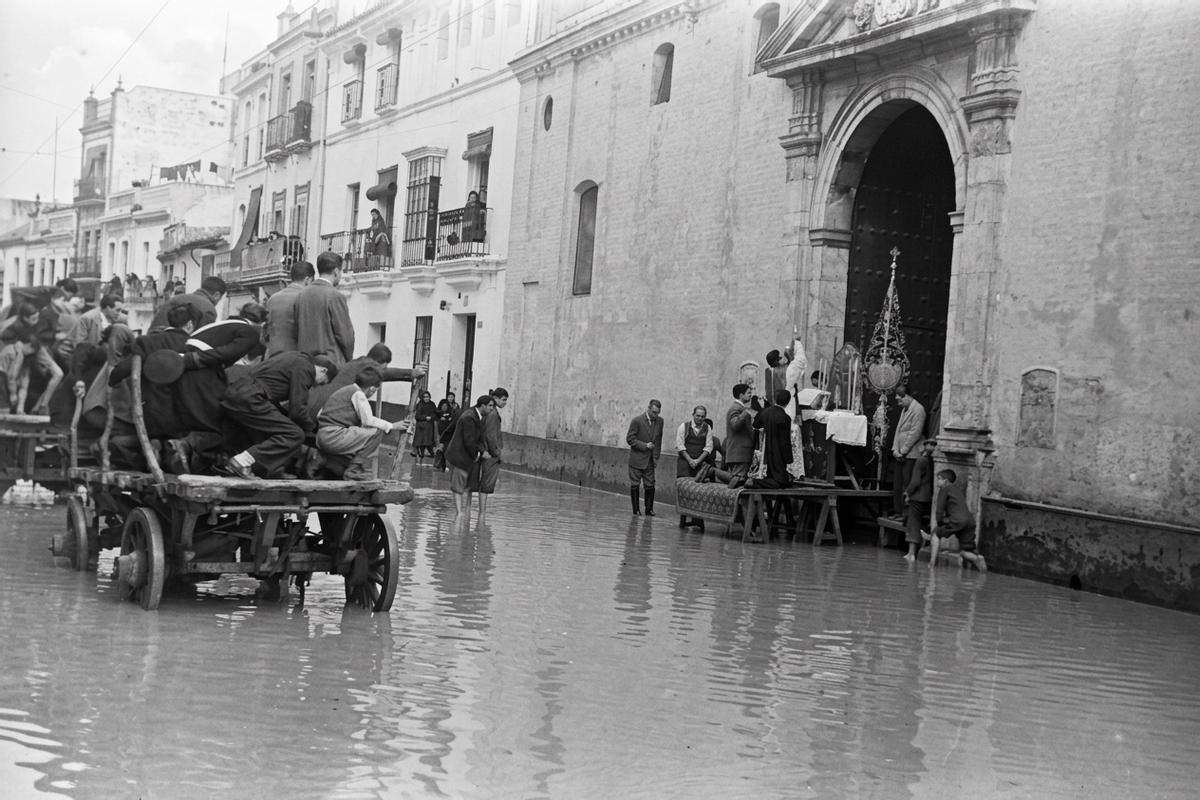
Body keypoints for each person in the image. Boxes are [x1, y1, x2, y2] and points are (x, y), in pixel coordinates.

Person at [164, 303, 268, 474]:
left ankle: (192, 452)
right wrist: (190, 360)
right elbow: (227, 353)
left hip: (187, 374)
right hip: (202, 373)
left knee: (204, 419)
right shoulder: (251, 332)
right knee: (223, 420)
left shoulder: (223, 325)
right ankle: (187, 445)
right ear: (261, 323)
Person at [107, 304, 197, 469]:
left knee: (152, 435)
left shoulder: (147, 342)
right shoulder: (194, 345)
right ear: (190, 325)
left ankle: (153, 451)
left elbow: (118, 373)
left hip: (152, 414)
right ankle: (176, 450)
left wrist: (114, 382)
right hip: (185, 415)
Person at [221, 351, 336, 479]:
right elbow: (297, 411)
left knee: (271, 430)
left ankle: (256, 469)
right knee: (294, 434)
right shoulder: (306, 368)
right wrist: (315, 432)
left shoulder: (292, 357)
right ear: (323, 371)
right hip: (252, 398)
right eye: (321, 383)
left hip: (236, 394)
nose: (315, 386)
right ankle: (241, 462)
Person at [305, 343, 426, 428]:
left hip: (313, 408)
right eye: (383, 367)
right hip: (323, 414)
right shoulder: (366, 365)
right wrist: (411, 373)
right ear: (376, 363)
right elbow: (386, 373)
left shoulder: (355, 363)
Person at [316, 365, 395, 480]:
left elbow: (319, 414)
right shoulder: (358, 394)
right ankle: (353, 471)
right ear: (372, 389)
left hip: (321, 437)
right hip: (333, 437)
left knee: (357, 435)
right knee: (377, 432)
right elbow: (368, 420)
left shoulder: (343, 391)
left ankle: (335, 465)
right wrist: (392, 426)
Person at [295, 251, 354, 366]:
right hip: (330, 364)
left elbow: (297, 329)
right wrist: (348, 359)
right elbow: (345, 334)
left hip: (305, 363)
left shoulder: (301, 295)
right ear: (336, 272)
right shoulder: (335, 296)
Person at [923, 469, 987, 572]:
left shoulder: (944, 489)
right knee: (965, 551)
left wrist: (940, 524)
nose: (937, 481)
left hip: (957, 520)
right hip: (969, 521)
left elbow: (939, 512)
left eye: (939, 479)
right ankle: (978, 559)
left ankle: (931, 565)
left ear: (946, 481)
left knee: (936, 533)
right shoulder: (956, 489)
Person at [444, 394, 494, 518]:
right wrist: (479, 453)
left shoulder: (478, 416)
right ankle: (459, 514)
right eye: (490, 406)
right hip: (459, 456)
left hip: (467, 455)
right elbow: (469, 440)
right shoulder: (469, 417)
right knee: (458, 485)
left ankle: (463, 514)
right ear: (482, 406)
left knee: (467, 485)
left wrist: (481, 451)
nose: (492, 409)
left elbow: (479, 438)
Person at [0, 329, 62, 415]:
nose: (33, 353)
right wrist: (13, 394)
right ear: (28, 345)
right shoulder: (13, 352)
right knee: (5, 410)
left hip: (8, 386)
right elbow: (11, 377)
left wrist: (20, 408)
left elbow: (24, 385)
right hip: (2, 381)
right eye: (33, 349)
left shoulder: (27, 360)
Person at [264, 261, 314, 357]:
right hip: (294, 357)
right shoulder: (306, 298)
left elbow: (265, 331)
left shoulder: (273, 298)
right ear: (308, 280)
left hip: (272, 354)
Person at [891, 384, 927, 517]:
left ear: (907, 396)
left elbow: (915, 433)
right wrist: (895, 449)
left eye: (900, 400)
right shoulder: (905, 409)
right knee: (898, 484)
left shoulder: (918, 410)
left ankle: (906, 514)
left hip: (911, 454)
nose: (898, 403)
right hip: (901, 453)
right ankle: (898, 511)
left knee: (906, 484)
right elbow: (898, 430)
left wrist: (903, 451)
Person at [149, 275, 227, 332]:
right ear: (217, 295)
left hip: (152, 342)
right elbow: (202, 338)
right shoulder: (209, 309)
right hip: (177, 349)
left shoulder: (176, 298)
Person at [626, 399, 663, 516]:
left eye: (657, 413)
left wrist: (656, 457)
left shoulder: (660, 421)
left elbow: (658, 440)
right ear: (648, 408)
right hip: (636, 459)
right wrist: (645, 446)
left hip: (650, 461)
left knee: (650, 485)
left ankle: (649, 509)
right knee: (635, 484)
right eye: (653, 412)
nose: (655, 415)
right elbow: (630, 439)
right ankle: (636, 510)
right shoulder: (637, 421)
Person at [713, 383, 755, 488]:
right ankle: (712, 471)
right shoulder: (736, 408)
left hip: (740, 453)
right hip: (740, 453)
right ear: (741, 395)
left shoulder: (739, 408)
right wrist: (746, 412)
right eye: (749, 393)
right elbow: (735, 425)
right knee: (738, 480)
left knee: (738, 481)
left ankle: (713, 472)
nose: (751, 395)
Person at [751, 389, 794, 489]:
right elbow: (785, 441)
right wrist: (789, 459)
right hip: (778, 452)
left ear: (775, 399)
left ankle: (756, 482)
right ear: (788, 402)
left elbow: (756, 425)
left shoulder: (766, 412)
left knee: (771, 476)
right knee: (781, 482)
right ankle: (755, 483)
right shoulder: (785, 417)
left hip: (766, 450)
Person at [902, 438, 937, 561]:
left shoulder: (921, 460)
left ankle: (911, 554)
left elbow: (915, 481)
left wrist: (907, 492)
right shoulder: (933, 461)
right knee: (922, 522)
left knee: (913, 523)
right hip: (928, 497)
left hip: (918, 496)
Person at [477, 387, 508, 518]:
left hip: (485, 451)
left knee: (483, 482)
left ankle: (480, 513)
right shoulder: (493, 414)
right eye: (503, 400)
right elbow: (491, 436)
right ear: (495, 398)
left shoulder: (490, 412)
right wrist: (496, 452)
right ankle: (482, 514)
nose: (505, 403)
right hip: (490, 453)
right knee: (486, 483)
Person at [410, 389, 438, 464]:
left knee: (428, 440)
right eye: (424, 397)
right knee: (421, 440)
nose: (426, 398)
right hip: (421, 425)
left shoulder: (432, 404)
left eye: (427, 397)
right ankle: (421, 452)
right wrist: (425, 417)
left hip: (429, 426)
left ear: (430, 397)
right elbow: (417, 416)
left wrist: (431, 417)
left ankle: (428, 452)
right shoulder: (420, 404)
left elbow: (435, 413)